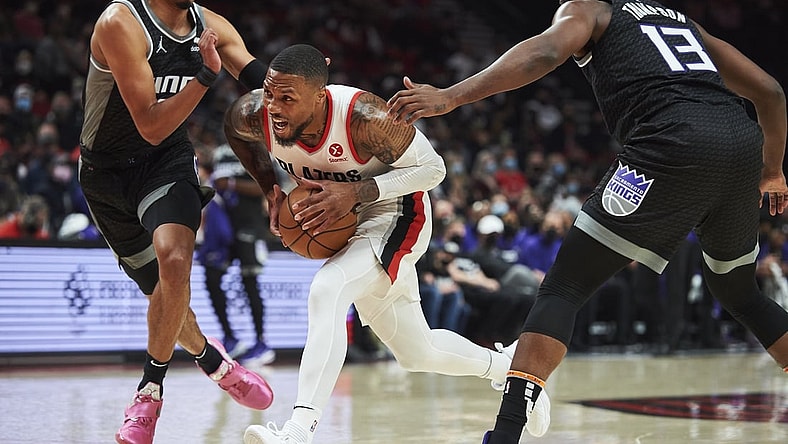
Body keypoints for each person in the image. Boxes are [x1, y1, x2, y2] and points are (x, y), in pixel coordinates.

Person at [387, 1, 788, 442]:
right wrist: (772, 171)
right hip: (741, 145)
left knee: (564, 288)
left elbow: (543, 54)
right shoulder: (681, 22)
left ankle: (504, 435)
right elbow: (770, 91)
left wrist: (451, 96)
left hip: (670, 143)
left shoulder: (592, 12)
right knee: (743, 295)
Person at [221, 43, 514, 444]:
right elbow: (231, 127)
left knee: (328, 289)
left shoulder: (364, 117)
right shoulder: (258, 114)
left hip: (397, 214)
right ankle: (509, 370)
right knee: (417, 352)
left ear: (320, 96)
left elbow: (433, 169)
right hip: (349, 218)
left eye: (287, 98)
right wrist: (270, 188)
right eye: (270, 93)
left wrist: (359, 191)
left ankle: (297, 430)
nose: (273, 106)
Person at [77, 1, 274, 443]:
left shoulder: (211, 24)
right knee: (162, 296)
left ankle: (149, 393)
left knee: (175, 258)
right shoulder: (120, 23)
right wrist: (205, 77)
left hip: (166, 162)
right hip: (106, 175)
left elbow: (259, 79)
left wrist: (312, 88)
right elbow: (148, 122)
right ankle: (214, 362)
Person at [197, 143, 275, 364]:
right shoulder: (220, 151)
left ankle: (262, 343)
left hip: (250, 227)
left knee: (250, 282)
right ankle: (230, 337)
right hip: (223, 228)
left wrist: (232, 184)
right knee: (211, 277)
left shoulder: (257, 153)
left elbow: (266, 188)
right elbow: (210, 179)